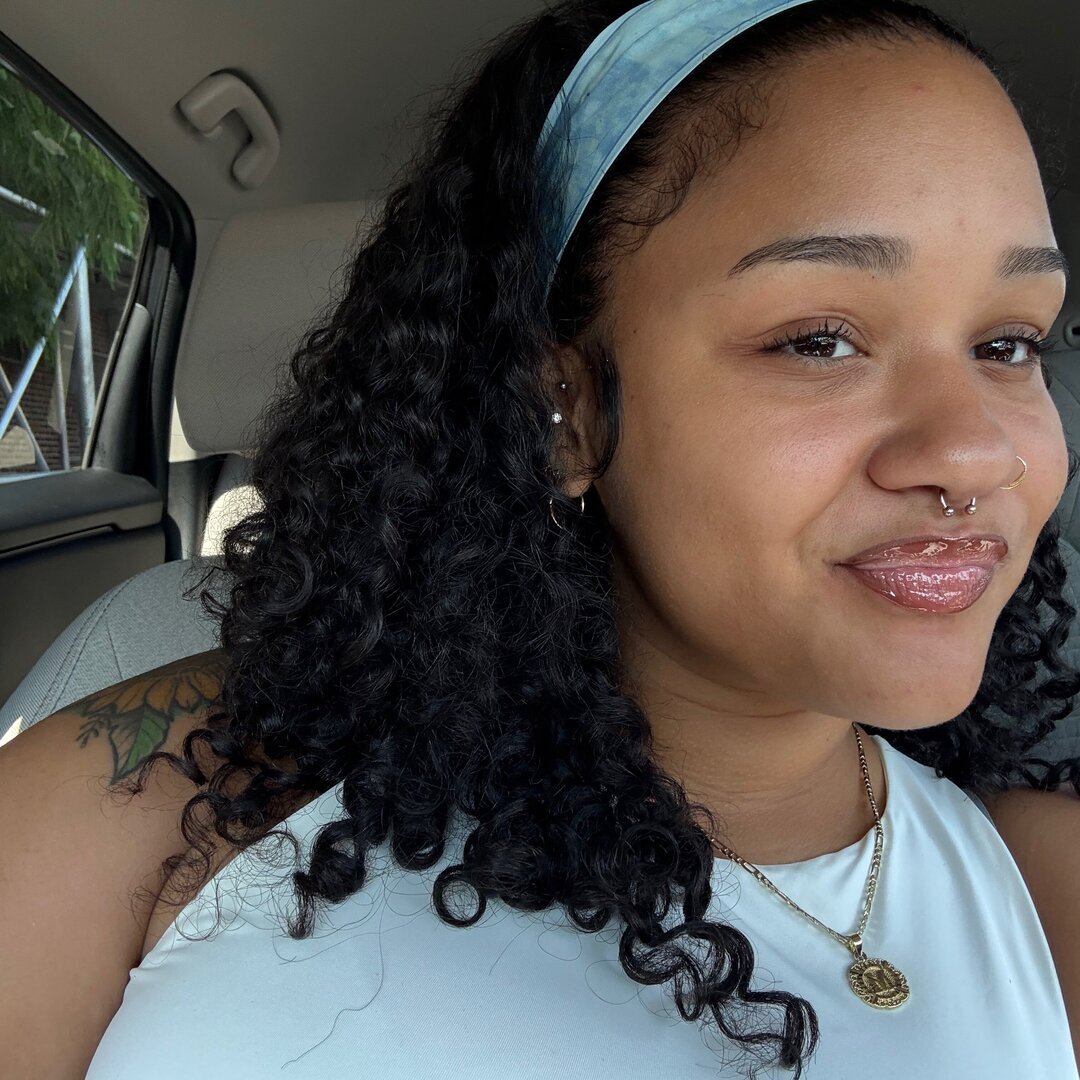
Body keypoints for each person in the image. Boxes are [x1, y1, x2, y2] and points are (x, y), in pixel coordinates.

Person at [3, 0, 1080, 1076]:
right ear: (563, 409)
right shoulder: (141, 817)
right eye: (820, 340)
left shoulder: (1044, 889)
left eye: (1008, 343)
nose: (976, 453)